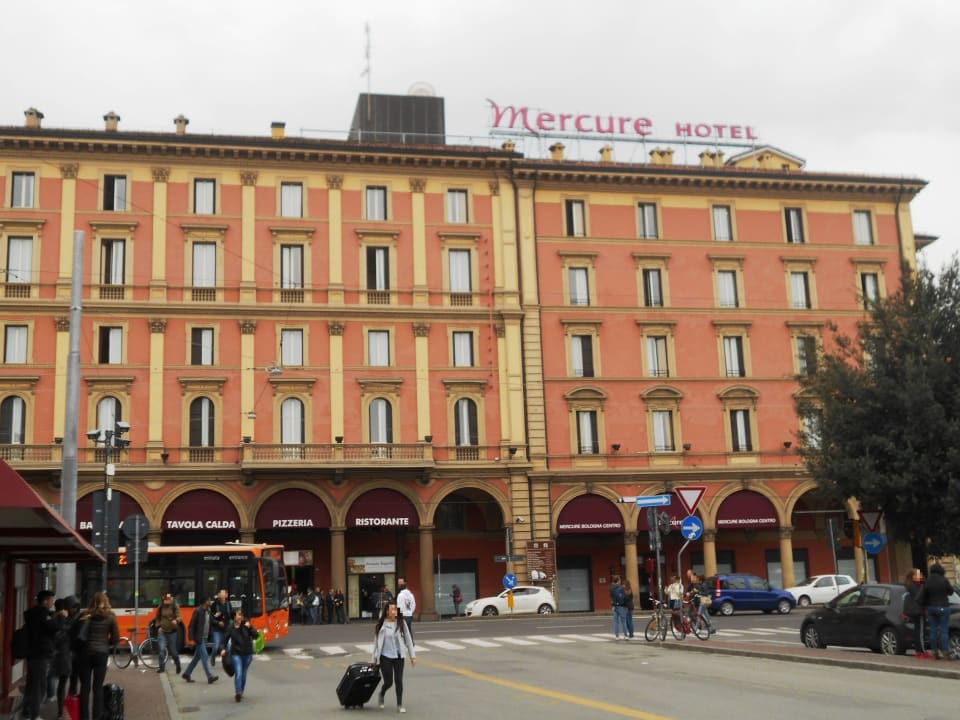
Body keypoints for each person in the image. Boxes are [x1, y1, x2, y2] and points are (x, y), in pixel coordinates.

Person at [76, 592, 119, 720]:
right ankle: (97, 717)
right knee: (98, 687)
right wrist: (107, 643)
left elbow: (79, 634)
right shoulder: (111, 617)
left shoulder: (85, 615)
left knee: (85, 687)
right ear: (106, 602)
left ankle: (84, 717)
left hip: (86, 653)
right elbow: (115, 638)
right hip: (101, 654)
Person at [22, 590, 61, 720]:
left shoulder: (32, 614)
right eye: (51, 599)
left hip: (32, 653)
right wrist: (60, 617)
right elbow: (54, 627)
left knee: (31, 684)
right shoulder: (43, 615)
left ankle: (27, 712)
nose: (53, 602)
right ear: (45, 601)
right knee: (39, 686)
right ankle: (35, 714)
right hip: (41, 654)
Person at [371, 602, 416, 713]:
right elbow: (376, 644)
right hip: (385, 656)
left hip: (399, 656)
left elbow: (408, 640)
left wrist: (412, 656)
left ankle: (399, 705)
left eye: (396, 609)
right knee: (389, 682)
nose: (394, 611)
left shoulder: (401, 623)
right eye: (392, 609)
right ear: (387, 611)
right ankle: (382, 693)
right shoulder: (381, 625)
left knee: (399, 680)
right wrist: (374, 659)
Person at [51, 596, 82, 719]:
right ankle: (65, 709)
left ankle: (65, 709)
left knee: (67, 683)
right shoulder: (72, 618)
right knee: (68, 683)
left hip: (68, 654)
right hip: (69, 654)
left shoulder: (65, 618)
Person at [220, 609, 260, 702]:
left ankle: (241, 691)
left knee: (243, 672)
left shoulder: (246, 625)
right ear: (234, 617)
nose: (240, 617)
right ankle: (238, 693)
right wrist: (222, 649)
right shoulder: (230, 627)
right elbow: (224, 640)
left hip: (247, 654)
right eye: (238, 615)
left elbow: (256, 636)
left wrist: (250, 627)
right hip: (236, 654)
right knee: (238, 672)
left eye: (241, 615)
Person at [920, 562, 954, 659]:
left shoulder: (927, 581)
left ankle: (934, 651)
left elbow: (924, 594)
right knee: (944, 630)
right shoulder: (944, 580)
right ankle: (945, 650)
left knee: (933, 630)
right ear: (941, 570)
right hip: (943, 606)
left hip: (931, 608)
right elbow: (951, 592)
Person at [182, 595, 218, 684]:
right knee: (205, 656)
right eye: (209, 600)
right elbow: (191, 626)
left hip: (205, 637)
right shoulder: (198, 611)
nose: (211, 602)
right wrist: (191, 639)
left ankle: (187, 673)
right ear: (205, 601)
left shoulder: (208, 611)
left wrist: (219, 623)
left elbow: (212, 620)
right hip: (199, 638)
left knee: (197, 657)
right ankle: (210, 676)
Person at [155, 592, 183, 674]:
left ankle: (178, 664)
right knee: (161, 650)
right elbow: (157, 618)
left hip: (172, 632)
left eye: (168, 600)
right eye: (165, 600)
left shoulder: (175, 606)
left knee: (173, 651)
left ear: (171, 599)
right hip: (162, 631)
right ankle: (162, 667)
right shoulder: (160, 607)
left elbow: (179, 616)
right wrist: (159, 626)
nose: (166, 601)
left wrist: (176, 620)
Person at [210, 589, 231, 667]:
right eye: (220, 595)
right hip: (217, 629)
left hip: (226, 629)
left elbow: (231, 615)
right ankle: (213, 656)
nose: (222, 596)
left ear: (226, 595)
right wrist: (218, 622)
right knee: (216, 646)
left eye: (223, 595)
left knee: (228, 646)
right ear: (218, 595)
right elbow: (211, 618)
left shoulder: (228, 604)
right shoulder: (214, 604)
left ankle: (226, 662)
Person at [396, 577, 416, 641]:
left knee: (401, 632)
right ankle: (411, 644)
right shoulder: (411, 595)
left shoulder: (400, 595)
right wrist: (410, 612)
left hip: (402, 616)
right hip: (409, 615)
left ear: (405, 583)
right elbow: (413, 605)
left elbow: (399, 607)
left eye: (400, 583)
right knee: (408, 630)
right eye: (398, 582)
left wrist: (395, 616)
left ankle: (404, 645)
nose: (399, 584)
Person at [609, 574, 627, 640]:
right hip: (621, 606)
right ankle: (626, 635)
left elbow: (611, 596)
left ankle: (617, 636)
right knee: (624, 621)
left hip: (614, 606)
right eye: (620, 580)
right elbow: (624, 596)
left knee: (616, 622)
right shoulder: (621, 587)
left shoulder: (611, 587)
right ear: (618, 580)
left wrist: (613, 604)